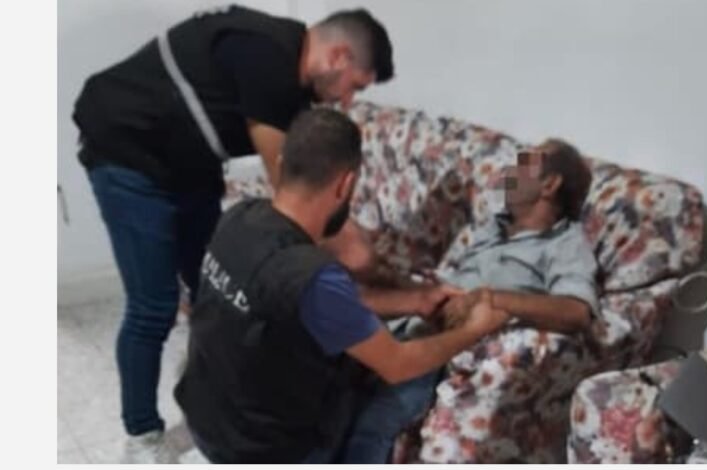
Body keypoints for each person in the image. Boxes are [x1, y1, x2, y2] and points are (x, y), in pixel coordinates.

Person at [71, 5, 393, 463]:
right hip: (127, 152)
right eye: (354, 86)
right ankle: (141, 437)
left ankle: (206, 391)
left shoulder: (291, 85)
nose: (347, 100)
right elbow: (296, 189)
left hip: (191, 164)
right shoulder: (267, 55)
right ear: (339, 56)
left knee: (213, 286)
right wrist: (357, 251)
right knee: (153, 306)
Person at [173, 108, 510, 463]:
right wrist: (472, 331)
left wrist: (414, 301)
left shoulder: (239, 217)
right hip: (265, 451)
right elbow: (397, 364)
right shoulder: (312, 275)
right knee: (408, 382)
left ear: (284, 163)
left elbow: (316, 305)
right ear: (345, 185)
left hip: (205, 420)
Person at [341, 138, 600, 463]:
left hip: (443, 349)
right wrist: (396, 281)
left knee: (374, 424)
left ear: (550, 184)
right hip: (410, 324)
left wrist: (491, 298)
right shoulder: (494, 227)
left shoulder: (565, 243)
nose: (509, 170)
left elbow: (577, 310)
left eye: (524, 162)